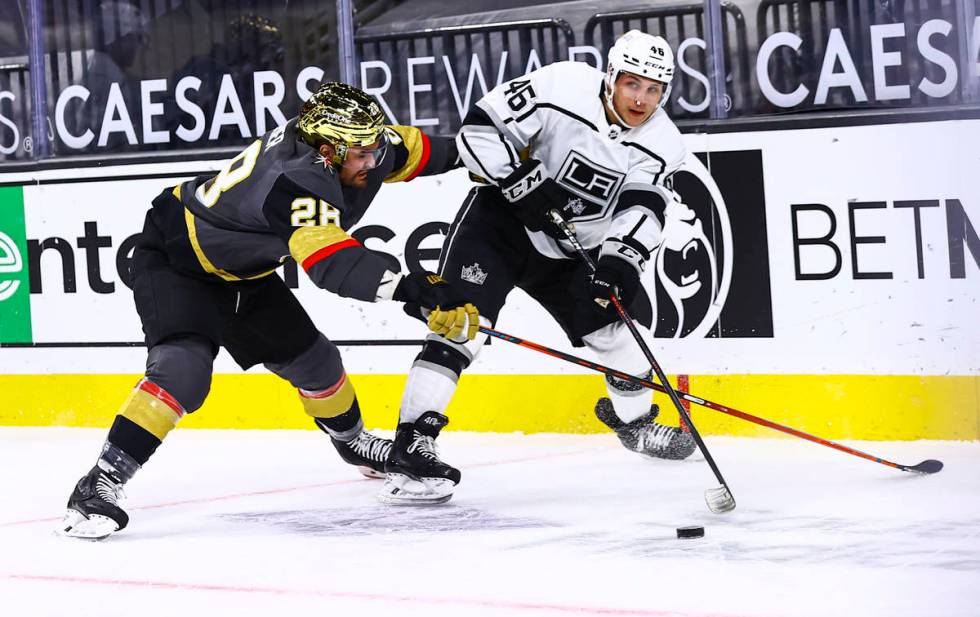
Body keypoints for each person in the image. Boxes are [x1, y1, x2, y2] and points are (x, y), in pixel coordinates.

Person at [59, 82, 480, 539]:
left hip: (244, 270)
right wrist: (408, 290)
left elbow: (425, 150)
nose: (372, 161)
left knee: (318, 365)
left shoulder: (356, 146)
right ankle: (99, 483)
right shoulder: (297, 179)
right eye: (360, 153)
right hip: (178, 259)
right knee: (183, 370)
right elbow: (329, 263)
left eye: (375, 147)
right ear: (327, 150)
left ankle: (354, 444)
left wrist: (496, 154)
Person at [379, 30, 697, 505]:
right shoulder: (562, 84)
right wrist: (518, 181)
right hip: (501, 224)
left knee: (619, 338)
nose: (641, 99)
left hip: (574, 248)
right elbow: (478, 131)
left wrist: (619, 260)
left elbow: (642, 209)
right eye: (633, 84)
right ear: (611, 76)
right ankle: (411, 444)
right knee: (461, 322)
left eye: (654, 90)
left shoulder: (662, 141)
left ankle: (634, 425)